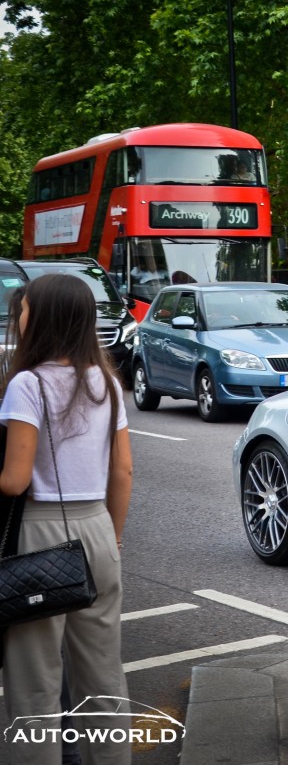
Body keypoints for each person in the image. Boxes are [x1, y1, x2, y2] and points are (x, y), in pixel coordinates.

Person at [0, 273, 133, 765]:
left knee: (34, 683)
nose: (20, 315)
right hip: (97, 527)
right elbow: (123, 470)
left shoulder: (27, 385)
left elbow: (15, 480)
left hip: (40, 532)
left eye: (26, 307)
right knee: (102, 674)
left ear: (46, 317)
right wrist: (111, 538)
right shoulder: (106, 381)